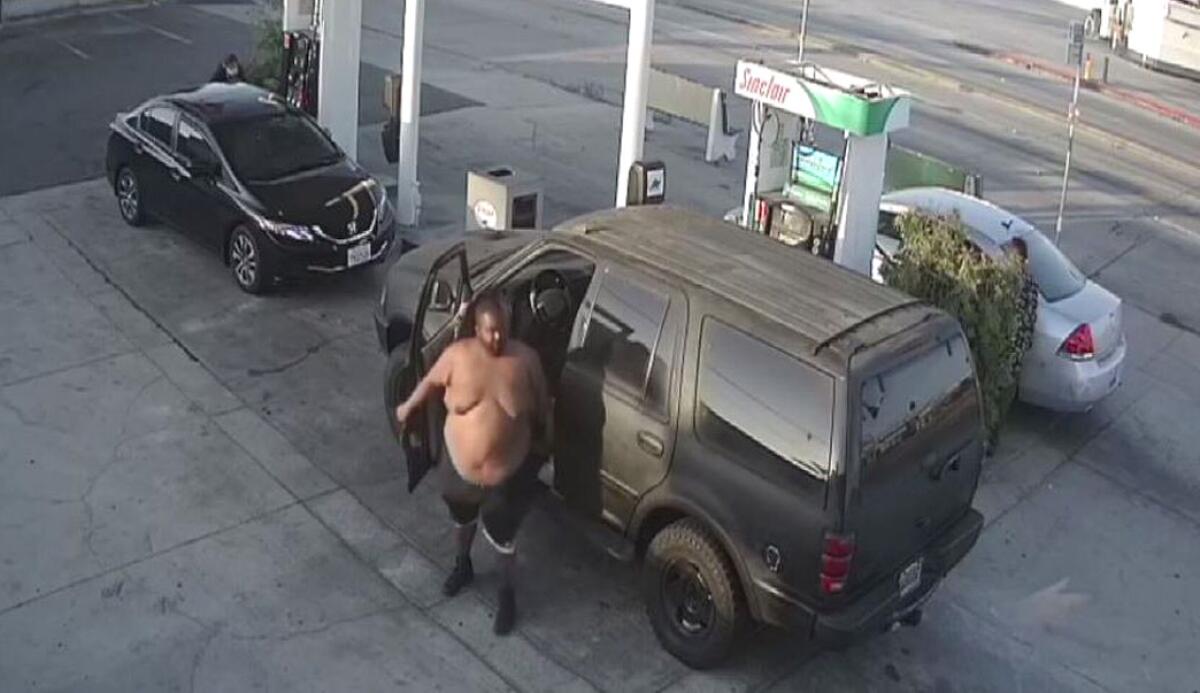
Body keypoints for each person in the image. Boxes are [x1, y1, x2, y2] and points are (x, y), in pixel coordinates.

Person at [393, 291, 552, 635]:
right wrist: (408, 408)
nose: (497, 338)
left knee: (503, 541)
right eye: (490, 330)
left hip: (506, 476)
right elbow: (430, 381)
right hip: (460, 470)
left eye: (503, 331)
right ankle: (462, 566)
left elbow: (543, 411)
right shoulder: (457, 356)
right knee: (461, 521)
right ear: (476, 328)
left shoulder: (526, 362)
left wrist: (545, 452)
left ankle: (507, 596)